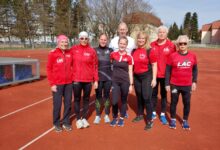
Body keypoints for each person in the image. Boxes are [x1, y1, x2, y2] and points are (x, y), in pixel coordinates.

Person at [165, 35, 198, 130]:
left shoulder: (192, 56)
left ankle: (185, 120)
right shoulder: (172, 56)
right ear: (178, 44)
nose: (182, 45)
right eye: (180, 43)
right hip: (174, 84)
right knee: (173, 103)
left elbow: (195, 69)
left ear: (188, 44)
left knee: (187, 103)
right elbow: (168, 70)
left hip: (187, 84)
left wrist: (194, 81)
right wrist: (167, 83)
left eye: (184, 43)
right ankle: (173, 119)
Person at [71, 31, 98, 129]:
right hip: (76, 79)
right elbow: (65, 55)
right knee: (77, 99)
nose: (84, 40)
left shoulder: (92, 51)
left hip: (87, 80)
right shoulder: (73, 49)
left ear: (88, 39)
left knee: (86, 99)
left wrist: (95, 80)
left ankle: (84, 118)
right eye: (82, 38)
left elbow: (95, 66)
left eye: (86, 38)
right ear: (79, 39)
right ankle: (78, 119)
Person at [46, 34, 73, 132]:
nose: (64, 44)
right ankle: (56, 123)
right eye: (62, 42)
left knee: (68, 104)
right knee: (57, 104)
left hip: (69, 83)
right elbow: (49, 69)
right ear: (58, 43)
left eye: (66, 42)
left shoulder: (70, 53)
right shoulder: (52, 54)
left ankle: (66, 122)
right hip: (57, 84)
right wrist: (52, 84)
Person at [131, 31, 157, 130]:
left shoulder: (150, 50)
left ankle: (150, 120)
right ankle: (140, 114)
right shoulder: (134, 51)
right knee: (139, 96)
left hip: (147, 76)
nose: (141, 40)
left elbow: (154, 64)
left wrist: (154, 79)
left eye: (143, 38)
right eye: (139, 38)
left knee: (146, 97)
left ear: (146, 40)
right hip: (137, 77)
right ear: (137, 39)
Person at [109, 22, 135, 118]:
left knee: (124, 98)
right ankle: (115, 114)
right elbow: (110, 61)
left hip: (126, 72)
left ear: (127, 30)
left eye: (124, 29)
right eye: (121, 29)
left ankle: (123, 113)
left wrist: (131, 84)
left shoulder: (132, 41)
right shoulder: (113, 41)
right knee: (115, 100)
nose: (122, 30)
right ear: (118, 30)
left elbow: (136, 52)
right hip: (116, 75)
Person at [150, 25, 176, 125]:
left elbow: (174, 60)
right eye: (159, 32)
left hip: (166, 75)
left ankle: (162, 114)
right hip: (154, 75)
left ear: (166, 34)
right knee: (153, 94)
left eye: (163, 32)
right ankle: (152, 112)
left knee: (164, 95)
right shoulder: (152, 44)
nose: (161, 33)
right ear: (157, 33)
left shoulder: (171, 46)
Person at [93, 34, 113, 124]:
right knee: (98, 96)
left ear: (107, 40)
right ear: (99, 40)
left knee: (107, 96)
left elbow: (114, 64)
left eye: (105, 40)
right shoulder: (94, 50)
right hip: (98, 78)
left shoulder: (111, 50)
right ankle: (97, 115)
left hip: (108, 78)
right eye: (101, 39)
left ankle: (106, 115)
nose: (103, 41)